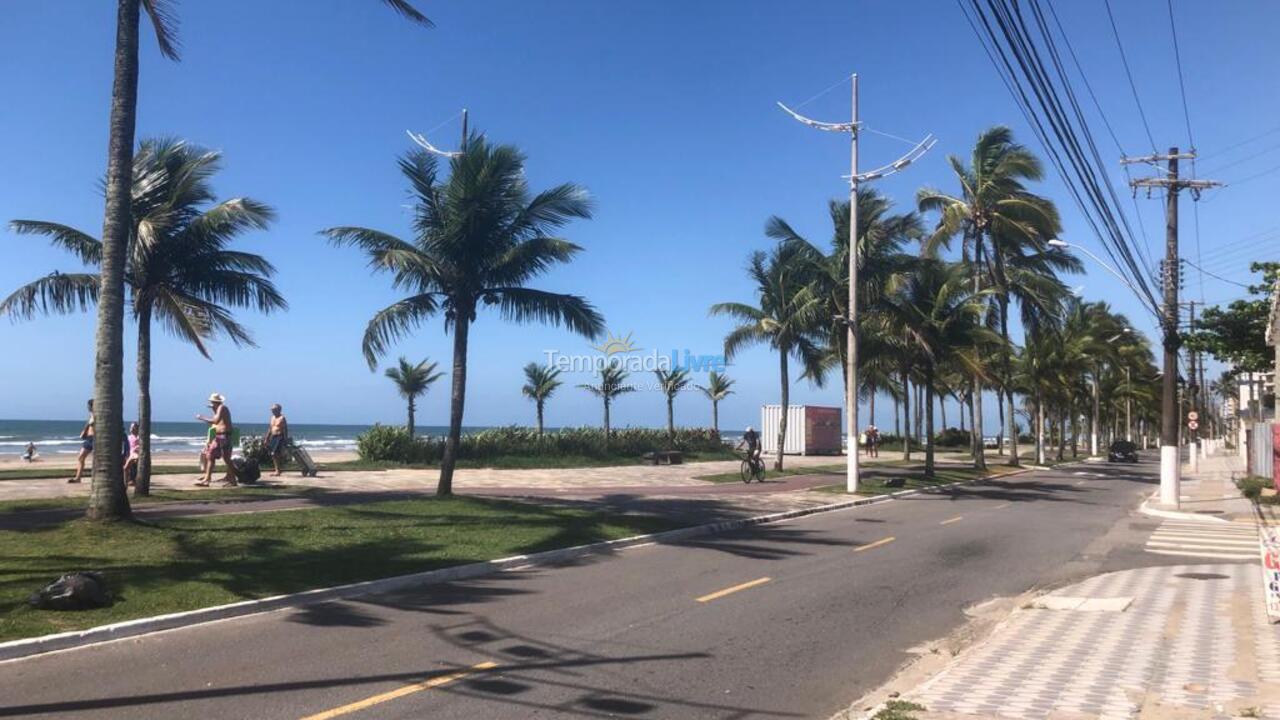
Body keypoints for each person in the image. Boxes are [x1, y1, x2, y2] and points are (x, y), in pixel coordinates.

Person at [195, 393, 238, 487]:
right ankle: (207, 479)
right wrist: (213, 408)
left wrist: (201, 417)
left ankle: (233, 479)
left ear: (214, 401)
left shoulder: (222, 407)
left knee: (226, 459)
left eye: (212, 402)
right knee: (210, 455)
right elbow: (217, 417)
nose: (210, 403)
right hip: (218, 436)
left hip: (224, 436)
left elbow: (215, 421)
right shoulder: (218, 409)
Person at [69, 399, 94, 483]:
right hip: (89, 438)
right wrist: (84, 432)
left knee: (98, 459)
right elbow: (89, 423)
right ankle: (78, 478)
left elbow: (92, 423)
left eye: (88, 406)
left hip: (95, 438)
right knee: (81, 457)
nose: (87, 408)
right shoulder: (91, 414)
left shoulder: (98, 413)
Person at [265, 403, 290, 476]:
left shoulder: (282, 418)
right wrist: (267, 438)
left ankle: (278, 470)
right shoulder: (272, 417)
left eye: (274, 409)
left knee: (274, 453)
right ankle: (277, 469)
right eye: (272, 410)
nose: (272, 411)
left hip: (280, 436)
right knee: (273, 454)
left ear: (278, 410)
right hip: (273, 436)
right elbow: (270, 428)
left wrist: (285, 439)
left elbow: (285, 429)